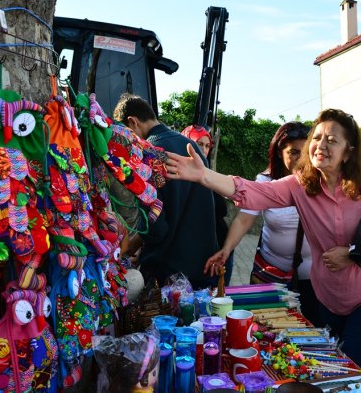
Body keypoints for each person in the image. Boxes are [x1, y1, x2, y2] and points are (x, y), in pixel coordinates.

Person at [164, 108, 361, 367]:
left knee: (349, 365)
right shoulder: (300, 183)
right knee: (323, 364)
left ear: (349, 151)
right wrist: (204, 175)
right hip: (327, 296)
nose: (321, 145)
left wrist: (352, 255)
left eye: (332, 140)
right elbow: (253, 191)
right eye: (317, 137)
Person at [205, 122, 323, 326]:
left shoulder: (321, 182)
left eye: (305, 152)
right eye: (293, 152)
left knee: (309, 329)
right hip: (270, 271)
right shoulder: (265, 182)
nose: (301, 159)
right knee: (266, 327)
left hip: (311, 276)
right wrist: (227, 249)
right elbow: (244, 219)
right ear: (279, 152)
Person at [113, 94, 219, 289]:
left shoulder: (146, 154)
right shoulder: (191, 147)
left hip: (170, 275)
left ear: (132, 122)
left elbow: (157, 228)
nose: (127, 142)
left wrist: (137, 250)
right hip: (203, 265)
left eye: (126, 134)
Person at [181, 124, 234, 285]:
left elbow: (221, 210)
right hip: (194, 256)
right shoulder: (180, 176)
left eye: (206, 145)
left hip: (219, 248)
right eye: (198, 143)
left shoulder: (210, 174)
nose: (203, 149)